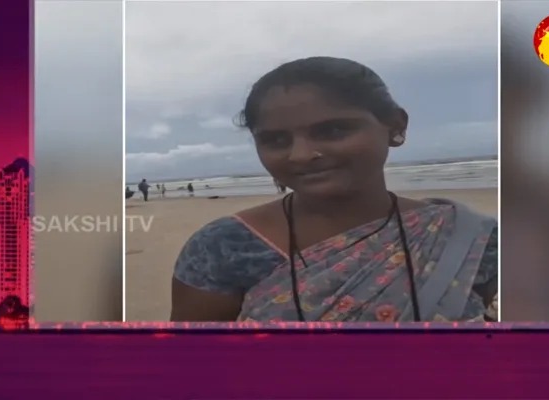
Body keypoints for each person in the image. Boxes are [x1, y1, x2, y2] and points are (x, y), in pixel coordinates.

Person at [171, 57, 497, 323]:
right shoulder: (223, 248)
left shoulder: (465, 238)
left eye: (333, 130)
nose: (300, 154)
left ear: (396, 127)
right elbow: (190, 367)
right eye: (275, 140)